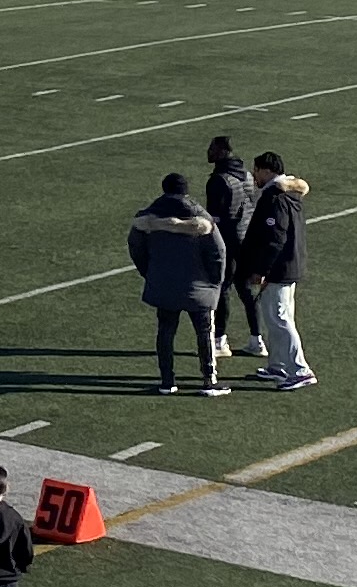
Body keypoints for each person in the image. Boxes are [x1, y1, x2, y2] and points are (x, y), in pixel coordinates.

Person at [129, 170, 229, 397]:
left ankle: (167, 380)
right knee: (204, 333)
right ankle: (209, 380)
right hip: (200, 287)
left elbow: (136, 248)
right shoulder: (202, 218)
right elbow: (218, 252)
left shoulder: (147, 219)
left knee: (165, 333)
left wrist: (150, 273)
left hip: (163, 285)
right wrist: (215, 281)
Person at [243, 154, 319, 391]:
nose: (254, 175)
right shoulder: (290, 192)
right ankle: (278, 365)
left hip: (279, 268)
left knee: (279, 318)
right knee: (274, 316)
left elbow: (274, 238)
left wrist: (261, 270)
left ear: (266, 171)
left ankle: (300, 370)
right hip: (290, 264)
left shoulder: (274, 197)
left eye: (256, 170)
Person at [205, 136, 264, 363]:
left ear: (221, 151)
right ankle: (256, 339)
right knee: (246, 289)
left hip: (228, 240)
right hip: (246, 238)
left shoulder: (219, 180)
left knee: (223, 287)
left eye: (212, 148)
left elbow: (216, 217)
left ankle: (220, 340)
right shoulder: (247, 175)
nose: (208, 152)